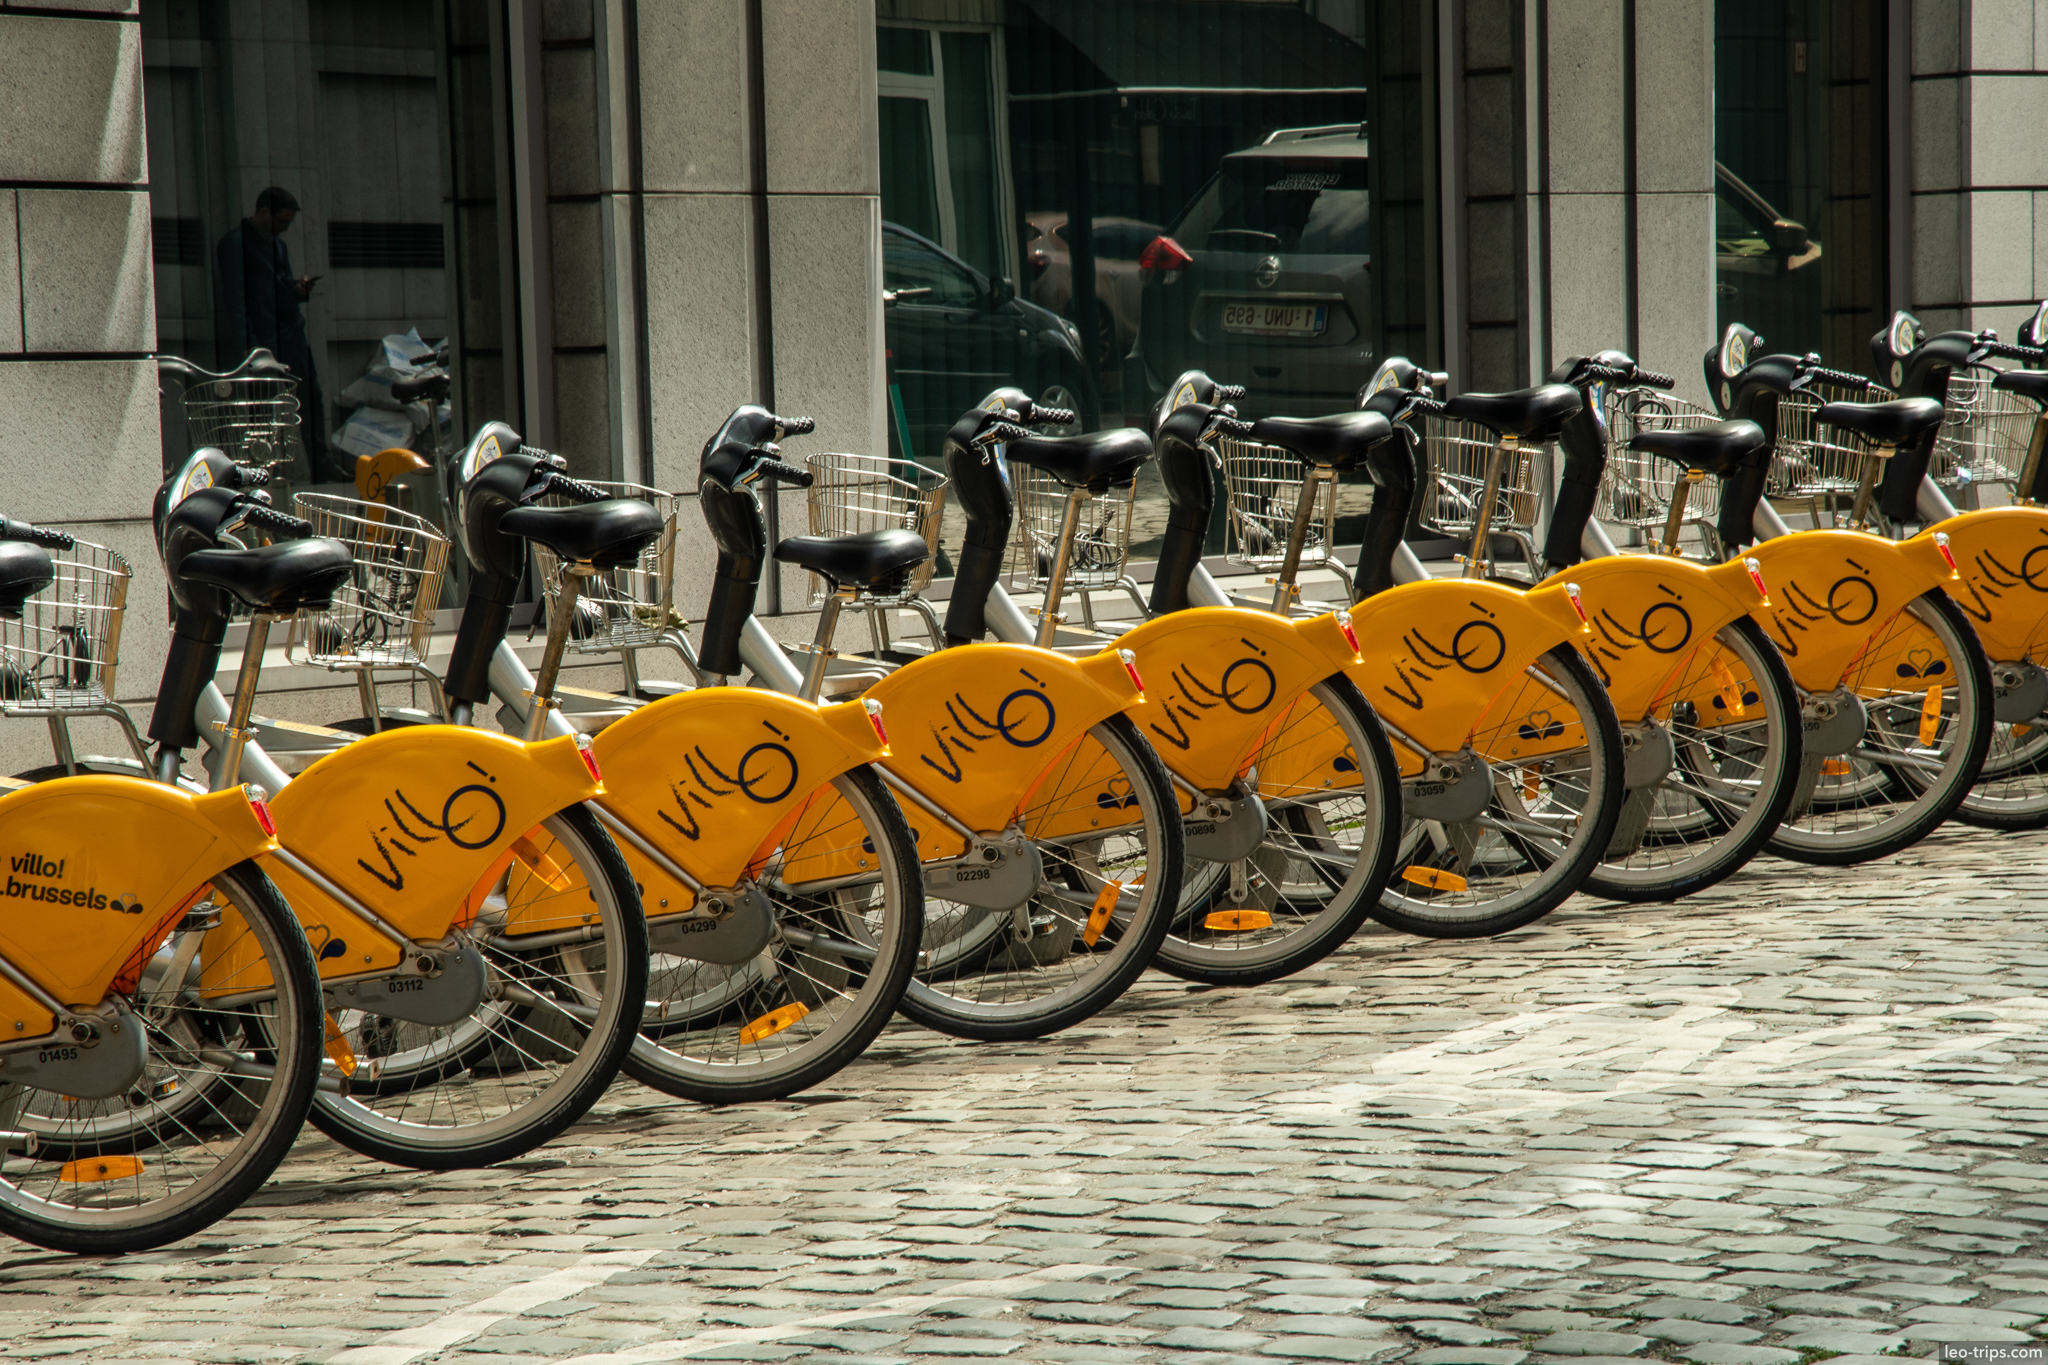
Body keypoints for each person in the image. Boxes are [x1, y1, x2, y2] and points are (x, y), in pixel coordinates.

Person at [215, 187, 340, 479]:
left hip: (290, 335)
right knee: (262, 409)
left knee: (310, 396)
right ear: (264, 212)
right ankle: (262, 470)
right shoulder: (235, 244)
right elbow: (236, 299)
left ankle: (321, 464)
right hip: (264, 340)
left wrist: (297, 290)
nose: (284, 228)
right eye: (281, 220)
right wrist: (250, 346)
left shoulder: (277, 245)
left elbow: (278, 290)